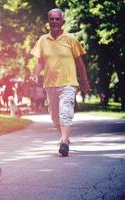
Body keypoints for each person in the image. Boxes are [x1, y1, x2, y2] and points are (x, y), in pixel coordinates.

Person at [30, 8, 90, 156]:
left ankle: (64, 142)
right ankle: (65, 137)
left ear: (62, 22)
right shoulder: (43, 40)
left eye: (58, 19)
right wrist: (35, 74)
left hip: (68, 82)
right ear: (48, 21)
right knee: (54, 116)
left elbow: (80, 63)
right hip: (50, 83)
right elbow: (39, 62)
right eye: (52, 19)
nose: (55, 21)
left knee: (65, 112)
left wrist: (84, 81)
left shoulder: (71, 39)